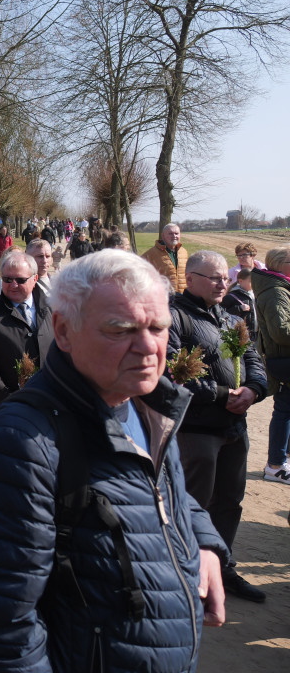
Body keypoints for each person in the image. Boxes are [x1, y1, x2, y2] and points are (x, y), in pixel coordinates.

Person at [0, 249, 227, 672]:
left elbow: (162, 488)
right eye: (121, 329)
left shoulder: (150, 407)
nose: (148, 347)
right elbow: (1, 630)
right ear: (63, 329)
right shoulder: (20, 445)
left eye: (158, 327)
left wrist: (203, 542)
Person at [168, 250, 267, 603]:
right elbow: (172, 375)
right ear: (190, 278)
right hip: (197, 430)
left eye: (224, 277)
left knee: (229, 502)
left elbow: (254, 358)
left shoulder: (228, 318)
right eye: (213, 277)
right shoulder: (174, 318)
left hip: (234, 429)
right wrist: (222, 394)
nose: (222, 283)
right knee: (195, 503)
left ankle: (222, 570)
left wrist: (254, 390)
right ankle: (187, 574)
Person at [0, 250, 54, 413]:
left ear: (35, 279)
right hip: (8, 408)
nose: (13, 285)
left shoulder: (54, 307)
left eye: (20, 280)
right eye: (7, 279)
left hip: (51, 403)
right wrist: (6, 400)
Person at [254, 245, 290, 485]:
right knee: (284, 411)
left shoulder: (279, 287)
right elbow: (281, 332)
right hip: (285, 360)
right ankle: (275, 465)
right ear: (280, 264)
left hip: (284, 359)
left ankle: (281, 461)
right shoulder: (276, 291)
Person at [142, 222, 189, 292]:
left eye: (176, 233)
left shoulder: (184, 252)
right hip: (163, 297)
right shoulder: (150, 254)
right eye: (170, 233)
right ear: (163, 236)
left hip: (183, 297)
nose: (174, 236)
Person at [221, 268, 257, 339]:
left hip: (255, 333)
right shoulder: (231, 296)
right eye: (251, 281)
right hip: (240, 335)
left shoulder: (255, 295)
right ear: (240, 281)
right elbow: (222, 313)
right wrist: (239, 308)